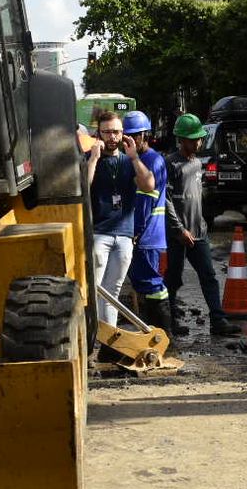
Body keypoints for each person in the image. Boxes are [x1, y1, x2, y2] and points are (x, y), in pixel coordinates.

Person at [165, 113, 235, 338]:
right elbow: (165, 201)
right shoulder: (170, 164)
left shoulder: (196, 163)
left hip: (199, 233)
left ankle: (218, 320)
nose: (199, 142)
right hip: (178, 236)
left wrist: (202, 223)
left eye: (199, 138)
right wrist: (179, 230)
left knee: (209, 276)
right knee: (173, 279)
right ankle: (169, 321)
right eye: (194, 139)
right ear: (182, 140)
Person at [87, 110, 154, 331]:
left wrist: (134, 157)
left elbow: (148, 185)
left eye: (116, 132)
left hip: (124, 235)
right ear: (99, 134)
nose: (112, 137)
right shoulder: (91, 159)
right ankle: (92, 337)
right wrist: (94, 158)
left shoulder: (129, 161)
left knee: (112, 291)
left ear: (123, 134)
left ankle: (109, 341)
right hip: (99, 233)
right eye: (107, 132)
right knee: (94, 288)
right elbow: (82, 188)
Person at [122, 110, 172, 331]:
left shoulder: (152, 161)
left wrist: (134, 233)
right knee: (142, 284)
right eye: (127, 136)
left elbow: (144, 204)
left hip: (148, 238)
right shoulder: (135, 160)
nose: (130, 140)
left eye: (134, 136)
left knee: (152, 285)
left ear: (145, 135)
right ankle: (152, 333)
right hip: (142, 237)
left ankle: (163, 334)